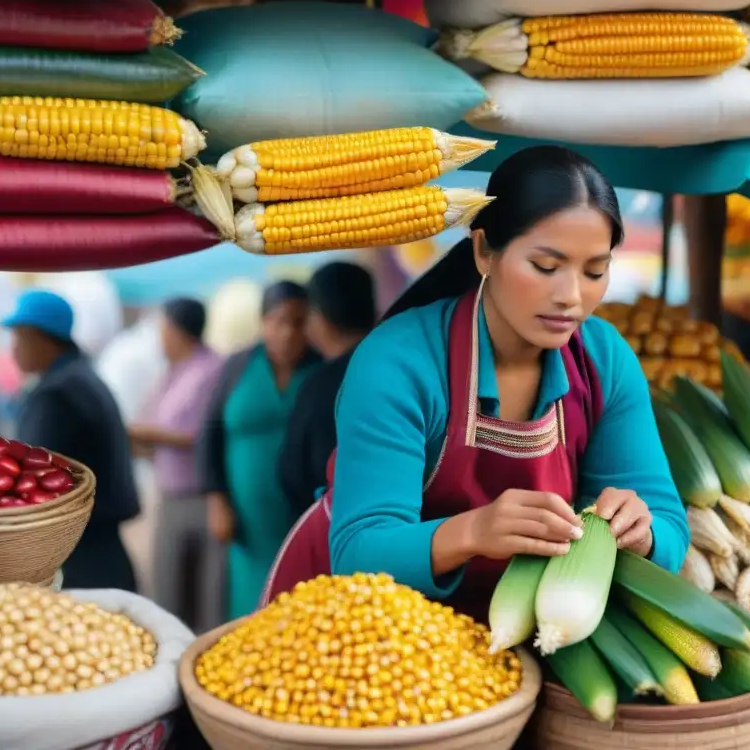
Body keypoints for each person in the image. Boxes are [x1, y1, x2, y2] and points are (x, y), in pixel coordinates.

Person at [262, 145, 690, 619]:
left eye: (595, 271)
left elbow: (669, 523)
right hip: (352, 619)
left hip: (500, 631)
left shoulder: (603, 359)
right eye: (546, 267)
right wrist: (473, 532)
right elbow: (360, 551)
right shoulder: (399, 361)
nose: (571, 296)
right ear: (485, 250)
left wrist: (644, 534)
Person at [197, 281, 320, 620]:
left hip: (300, 516)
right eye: (279, 321)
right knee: (246, 606)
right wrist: (216, 499)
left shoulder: (321, 369)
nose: (288, 332)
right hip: (246, 522)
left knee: (299, 601)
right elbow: (209, 432)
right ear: (263, 322)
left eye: (299, 322)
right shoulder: (237, 367)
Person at [2, 290, 140, 590]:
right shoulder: (84, 379)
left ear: (41, 338)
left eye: (19, 338)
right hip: (103, 552)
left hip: (79, 560)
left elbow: (28, 484)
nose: (13, 350)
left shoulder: (56, 395)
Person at [130, 298, 224, 632]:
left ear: (177, 330)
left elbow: (201, 433)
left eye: (164, 329)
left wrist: (144, 432)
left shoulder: (211, 369)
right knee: (168, 593)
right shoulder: (171, 372)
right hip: (171, 495)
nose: (161, 337)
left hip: (201, 498)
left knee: (205, 597)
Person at [278, 262, 376, 515]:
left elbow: (293, 475)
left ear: (320, 319)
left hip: (339, 529)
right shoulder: (407, 365)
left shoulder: (317, 388)